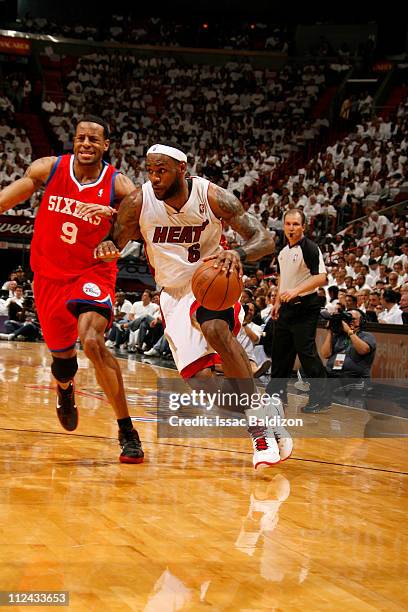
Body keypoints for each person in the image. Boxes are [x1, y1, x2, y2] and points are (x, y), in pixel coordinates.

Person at [86, 143, 292, 469]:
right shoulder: (139, 202)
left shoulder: (212, 196)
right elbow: (113, 240)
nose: (154, 178)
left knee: (215, 329)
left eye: (162, 171)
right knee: (204, 385)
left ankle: (259, 430)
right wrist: (108, 244)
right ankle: (265, 406)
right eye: (150, 171)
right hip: (172, 293)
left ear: (182, 169)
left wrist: (238, 254)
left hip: (211, 279)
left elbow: (264, 239)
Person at [0, 114, 144, 464]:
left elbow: (144, 226)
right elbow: (6, 199)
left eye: (94, 140)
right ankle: (65, 391)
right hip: (49, 278)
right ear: (74, 141)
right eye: (81, 138)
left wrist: (112, 216)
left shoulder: (120, 185)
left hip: (91, 272)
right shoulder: (48, 169)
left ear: (106, 146)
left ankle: (127, 431)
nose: (86, 144)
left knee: (92, 341)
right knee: (62, 361)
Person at [267, 209, 328, 413]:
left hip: (305, 306)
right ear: (283, 226)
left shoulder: (310, 248)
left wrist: (295, 291)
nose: (291, 228)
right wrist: (276, 302)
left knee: (306, 354)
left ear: (303, 226)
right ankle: (276, 394)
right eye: (288, 224)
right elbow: (282, 279)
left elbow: (321, 278)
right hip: (285, 307)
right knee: (280, 353)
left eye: (295, 224)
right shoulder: (283, 251)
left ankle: (322, 397)